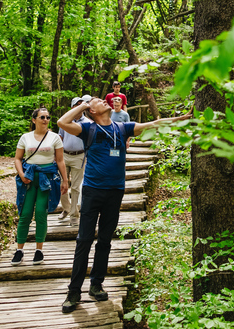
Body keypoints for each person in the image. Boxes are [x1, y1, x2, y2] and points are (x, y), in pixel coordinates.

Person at [58, 98, 191, 312]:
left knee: (105, 241)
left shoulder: (122, 127)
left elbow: (155, 125)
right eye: (99, 101)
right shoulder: (87, 128)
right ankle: (74, 292)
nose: (105, 100)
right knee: (84, 240)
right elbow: (62, 123)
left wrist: (182, 118)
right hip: (93, 191)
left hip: (115, 192)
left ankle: (96, 284)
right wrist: (84, 105)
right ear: (92, 110)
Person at [12, 107, 69, 266]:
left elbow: (60, 160)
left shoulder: (55, 138)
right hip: (29, 178)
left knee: (41, 214)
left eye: (48, 117)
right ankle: (19, 250)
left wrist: (65, 180)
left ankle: (39, 250)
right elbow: (18, 158)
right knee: (25, 214)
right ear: (34, 120)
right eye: (42, 117)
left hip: (47, 179)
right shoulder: (25, 137)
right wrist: (22, 174)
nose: (45, 119)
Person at [58, 96, 92, 227]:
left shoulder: (88, 123)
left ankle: (74, 215)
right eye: (76, 105)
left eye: (81, 105)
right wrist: (57, 155)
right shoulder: (65, 120)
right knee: (62, 184)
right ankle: (66, 209)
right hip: (64, 155)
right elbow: (60, 137)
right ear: (72, 107)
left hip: (80, 156)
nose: (79, 107)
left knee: (76, 187)